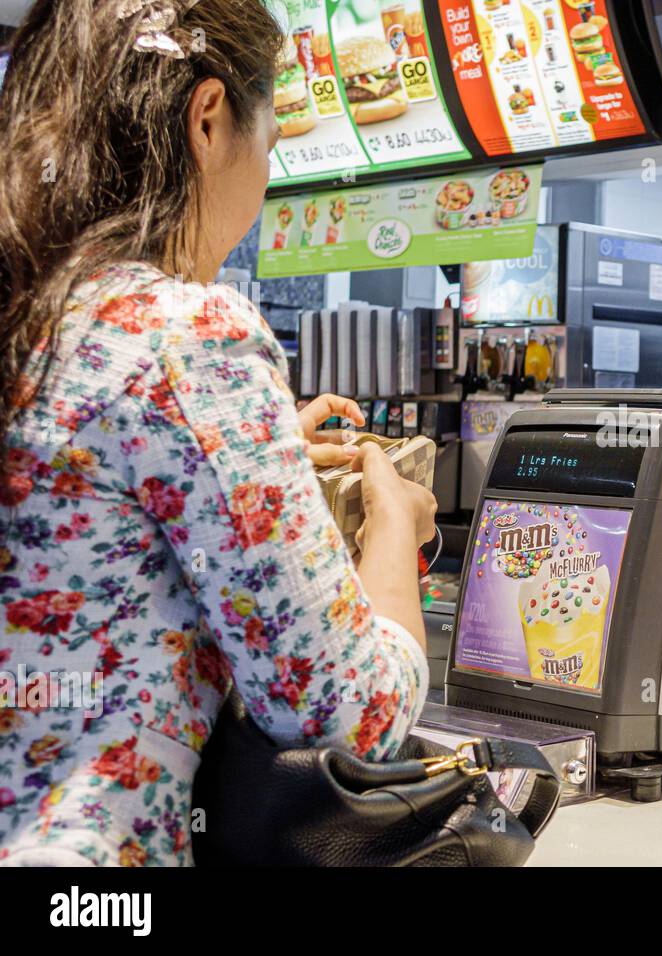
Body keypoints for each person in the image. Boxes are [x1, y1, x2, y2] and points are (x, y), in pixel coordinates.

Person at [0, 1, 435, 866]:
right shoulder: (178, 335)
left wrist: (255, 453)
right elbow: (350, 712)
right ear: (208, 120)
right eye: (269, 143)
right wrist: (392, 529)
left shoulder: (36, 311)